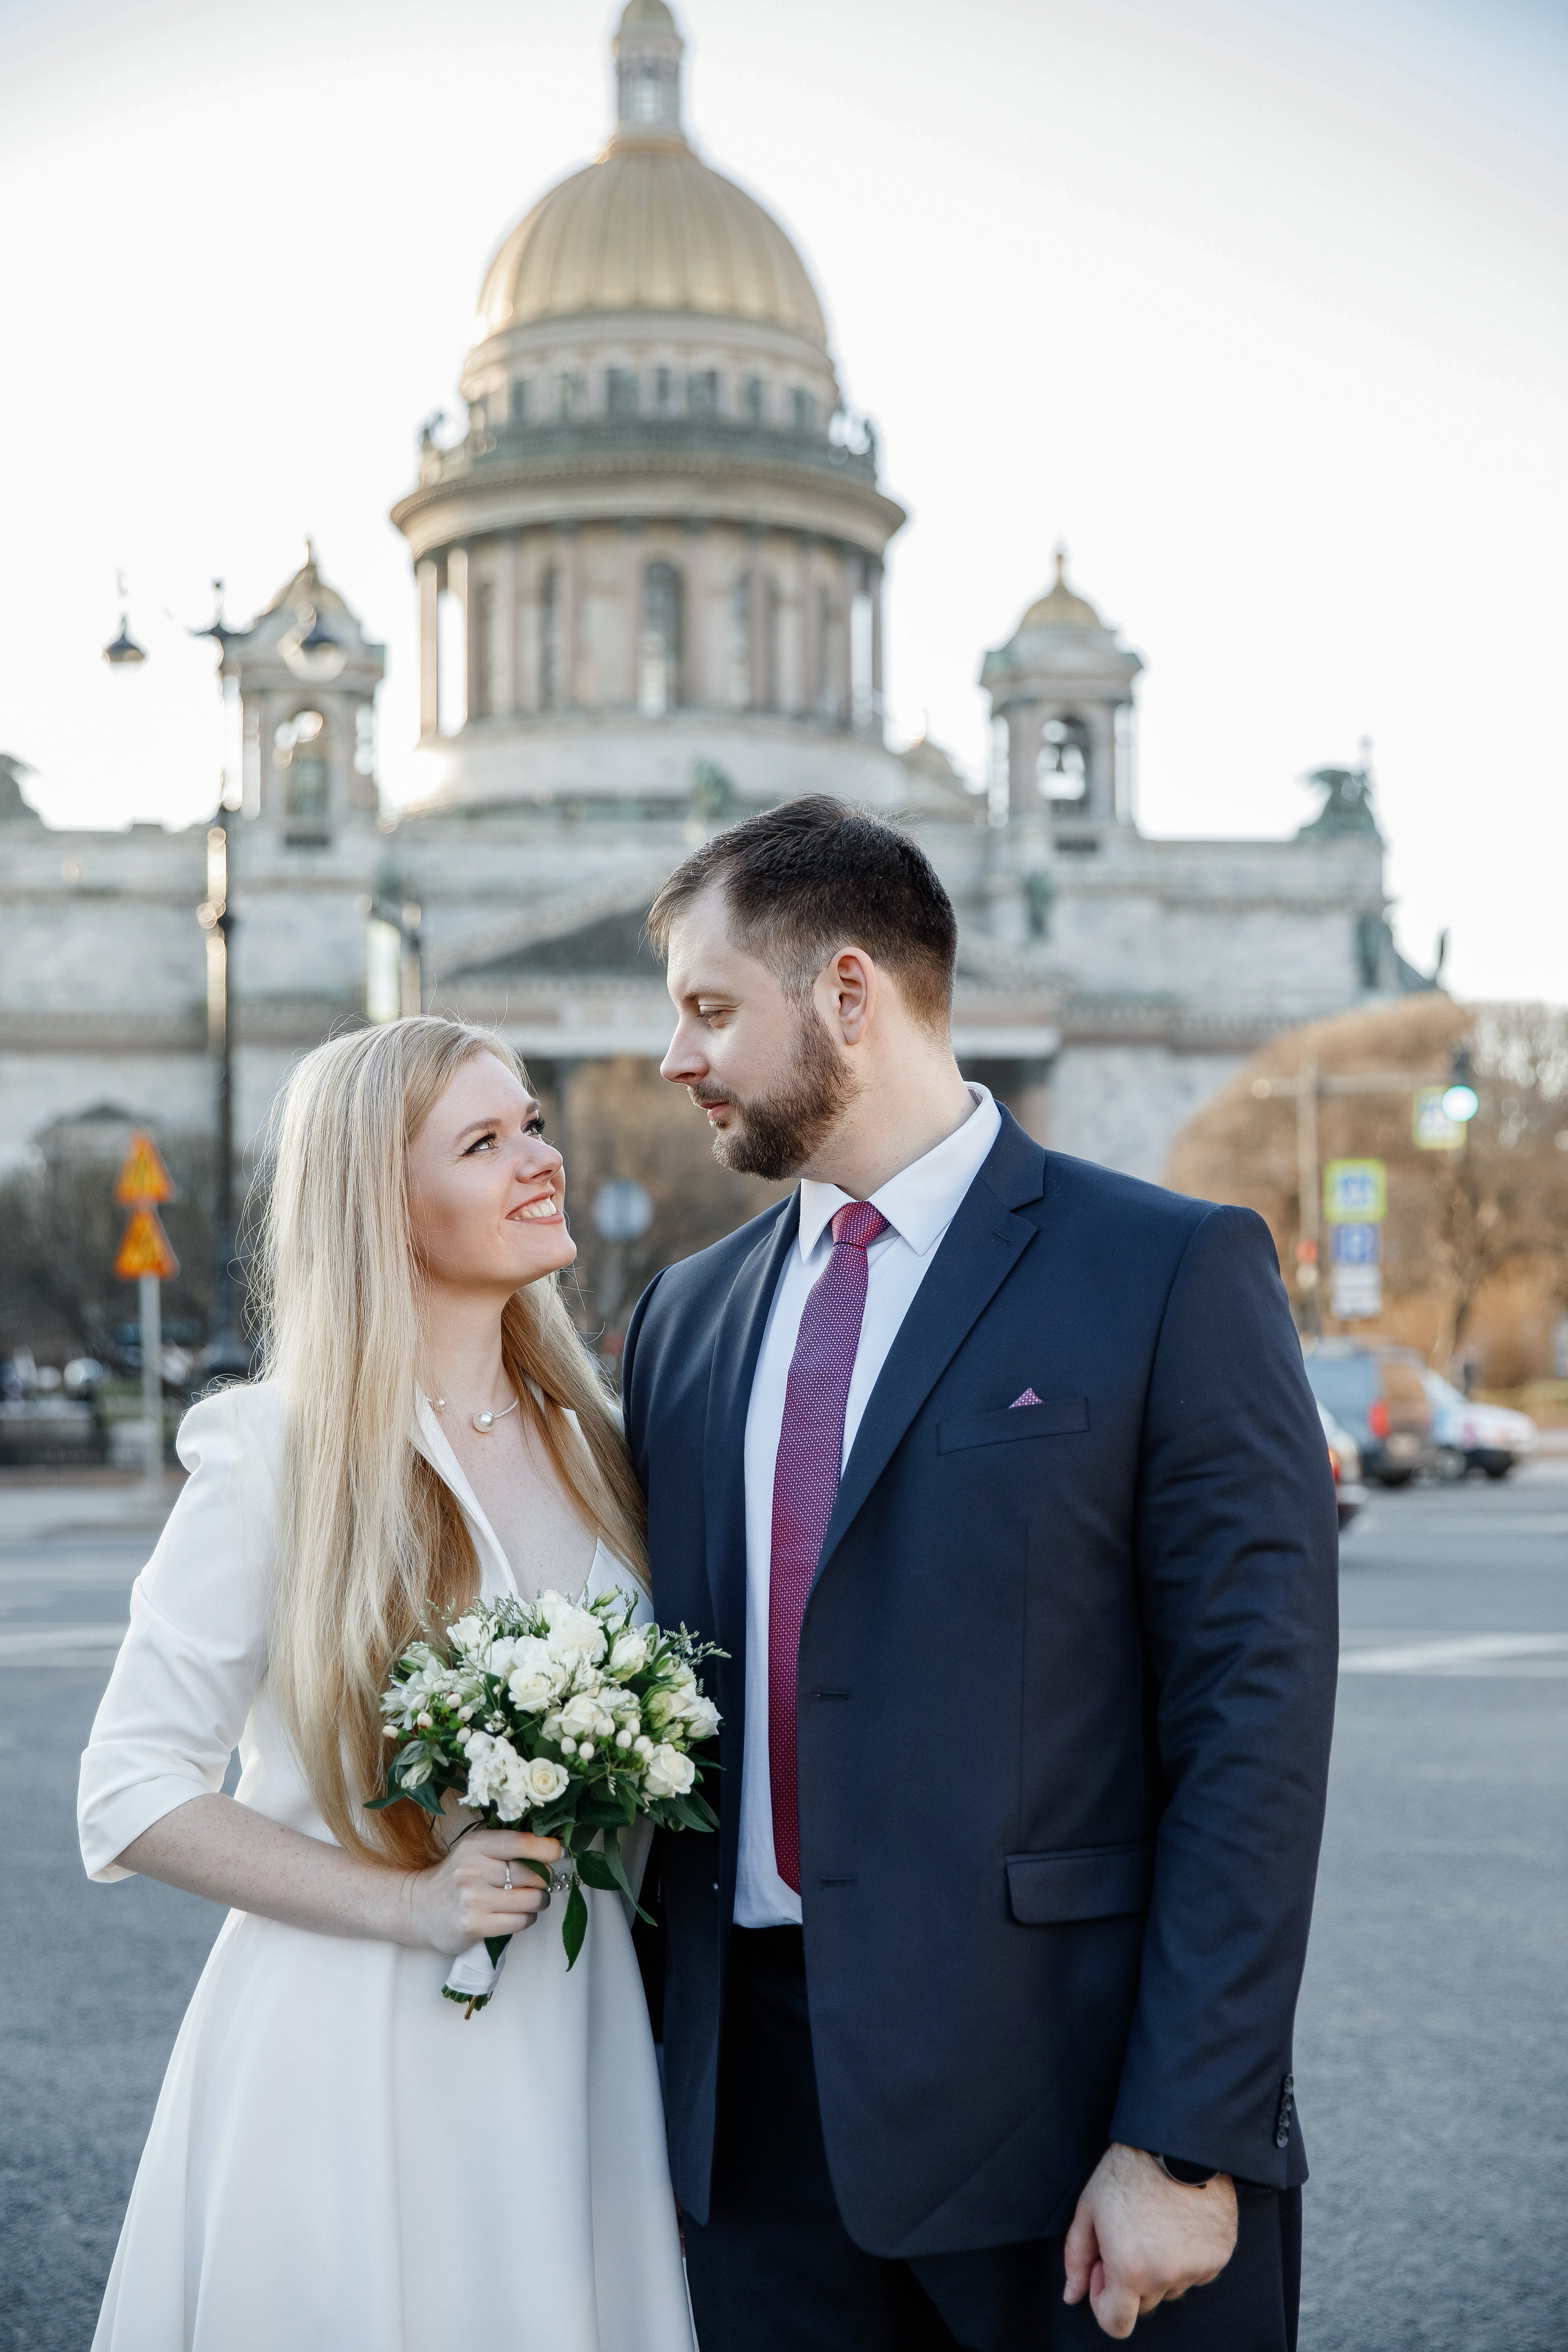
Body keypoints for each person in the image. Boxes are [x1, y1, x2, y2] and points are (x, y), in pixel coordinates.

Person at [620, 797, 1340, 2352]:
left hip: (1067, 2144)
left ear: (849, 995)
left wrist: (1181, 2141)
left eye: (707, 1008)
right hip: (749, 2153)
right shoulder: (681, 1321)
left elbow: (1252, 1733)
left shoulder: (1163, 1271)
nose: (675, 1059)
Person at [78, 1018, 694, 2352]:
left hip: (577, 2037)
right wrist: (407, 1905)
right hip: (347, 2048)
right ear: (380, 1202)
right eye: (484, 1143)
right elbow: (125, 1791)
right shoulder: (275, 1452)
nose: (541, 1160)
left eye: (532, 1123)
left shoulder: (608, 1444)